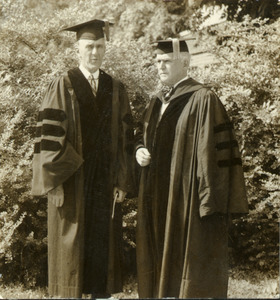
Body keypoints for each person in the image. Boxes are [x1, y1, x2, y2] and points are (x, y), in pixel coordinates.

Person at [135, 38, 249, 298]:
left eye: (166, 61)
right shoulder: (157, 102)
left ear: (185, 63)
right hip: (157, 198)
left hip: (186, 201)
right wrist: (138, 150)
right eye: (157, 62)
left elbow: (213, 156)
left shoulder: (203, 99)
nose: (160, 67)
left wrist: (207, 201)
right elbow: (140, 137)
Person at [31, 19, 134, 298]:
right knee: (71, 253)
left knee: (102, 252)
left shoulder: (116, 88)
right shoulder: (63, 85)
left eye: (100, 46)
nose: (95, 52)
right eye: (89, 46)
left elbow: (126, 139)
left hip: (104, 183)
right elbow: (50, 137)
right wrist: (53, 183)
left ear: (105, 48)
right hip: (72, 182)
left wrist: (122, 182)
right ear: (78, 49)